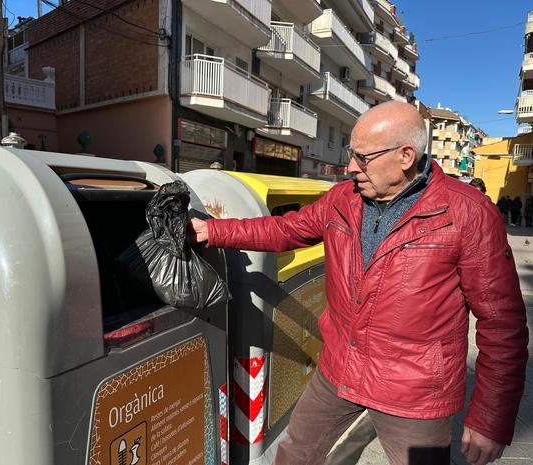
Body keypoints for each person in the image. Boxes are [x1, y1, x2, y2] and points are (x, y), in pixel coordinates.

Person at [188, 102, 529, 465]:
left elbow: (502, 324)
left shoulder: (467, 214)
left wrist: (490, 418)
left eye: (362, 157)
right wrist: (212, 230)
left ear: (405, 156)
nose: (351, 167)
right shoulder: (343, 199)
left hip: (415, 392)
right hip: (340, 368)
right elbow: (286, 229)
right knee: (293, 455)